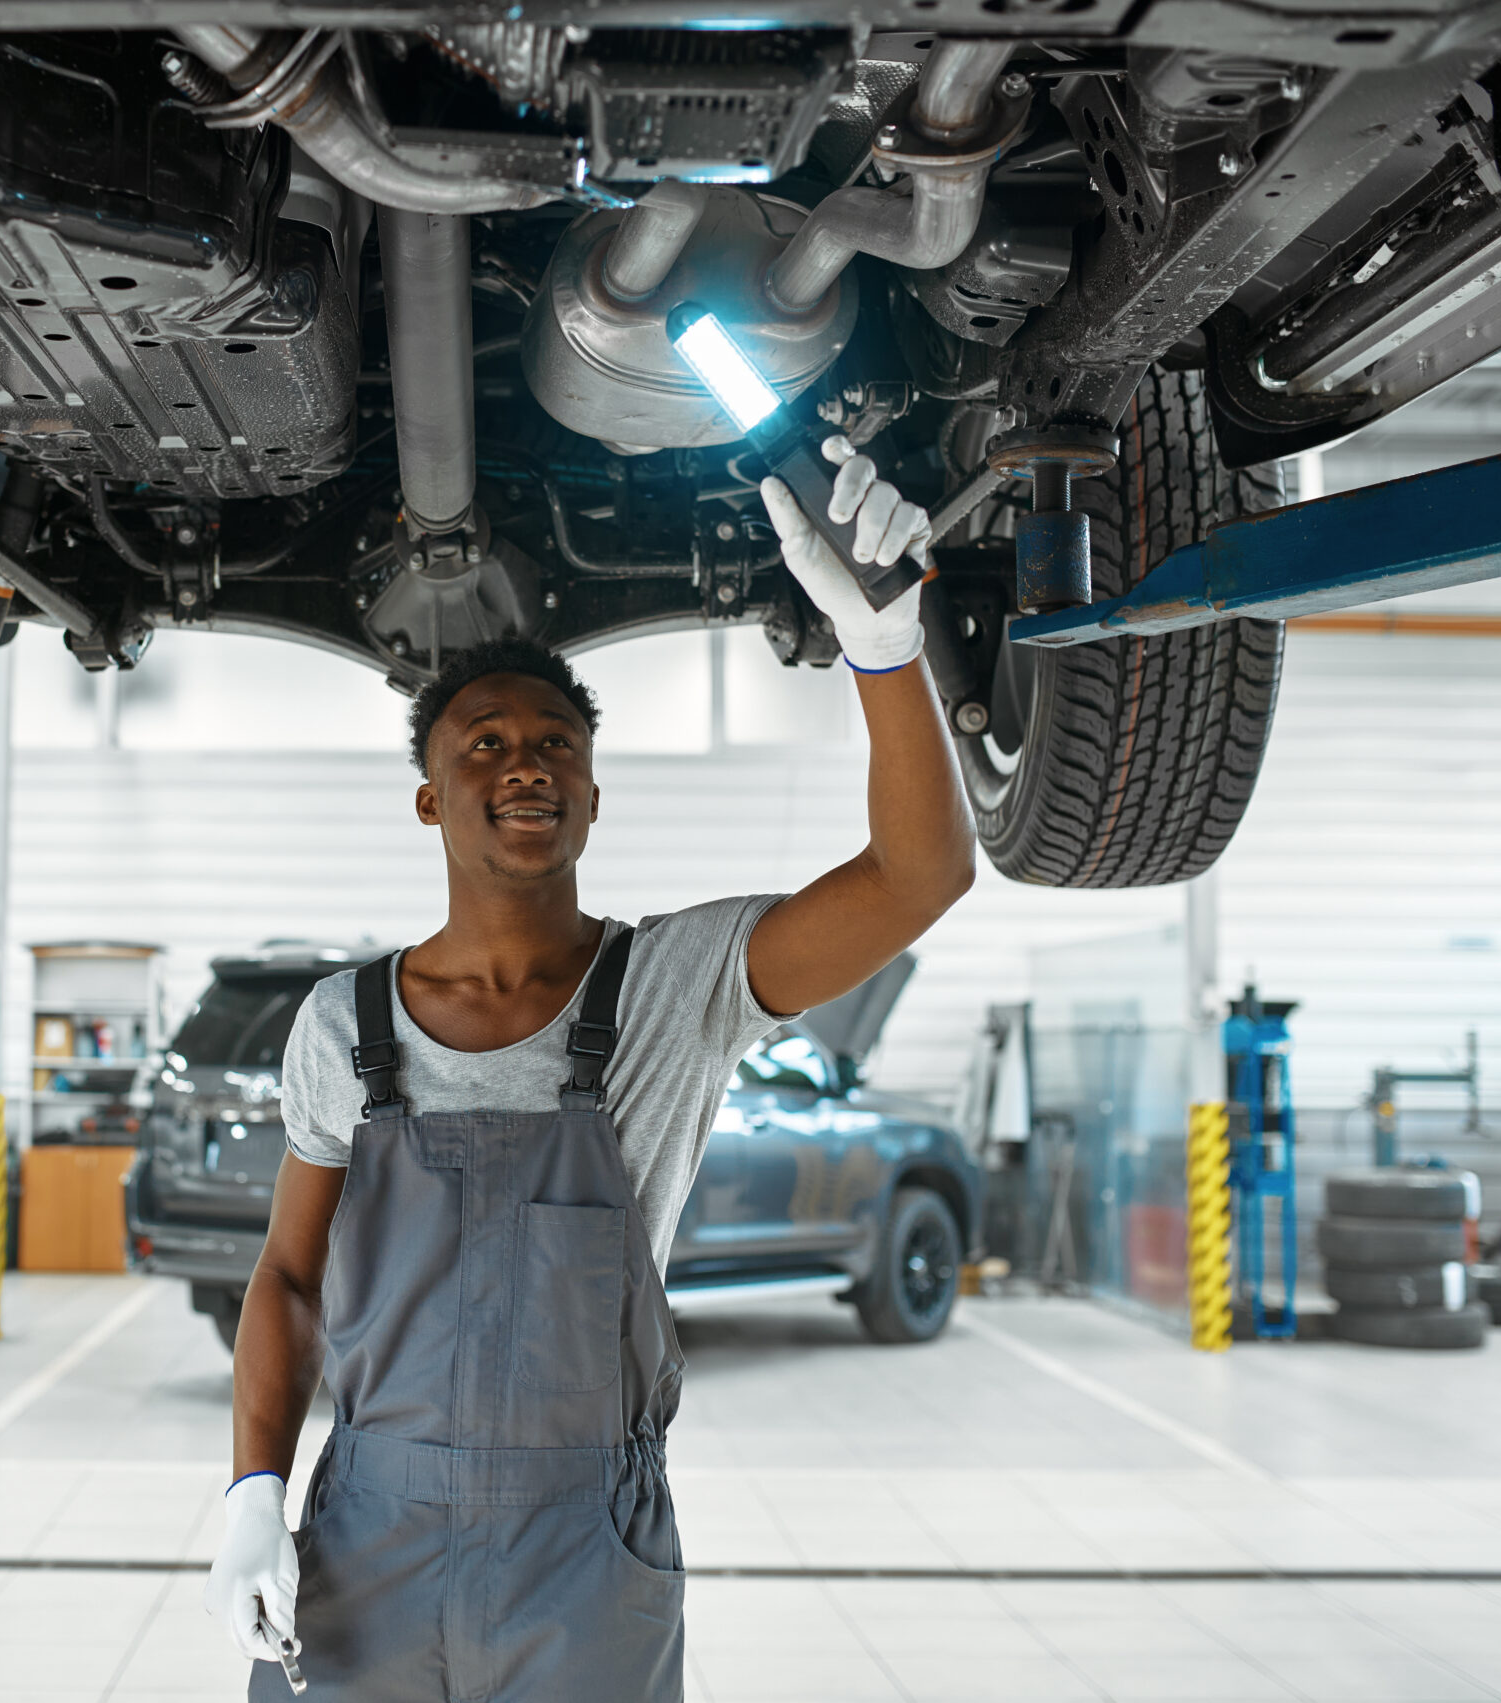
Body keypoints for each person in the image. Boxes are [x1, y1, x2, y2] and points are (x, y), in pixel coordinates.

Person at [201, 442, 977, 1701]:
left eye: (556, 743)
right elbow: (288, 1274)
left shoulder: (679, 986)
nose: (524, 762)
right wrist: (250, 1495)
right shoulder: (342, 1025)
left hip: (584, 1546)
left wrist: (885, 649)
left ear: (593, 792)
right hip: (363, 1537)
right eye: (484, 742)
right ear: (428, 797)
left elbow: (919, 876)